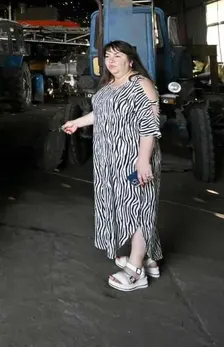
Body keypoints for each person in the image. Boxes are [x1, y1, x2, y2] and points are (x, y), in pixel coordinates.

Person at [62, 40, 163, 292]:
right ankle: (147, 258)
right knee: (123, 206)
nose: (111, 61)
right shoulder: (109, 85)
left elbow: (149, 125)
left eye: (118, 56)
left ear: (131, 60)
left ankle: (136, 271)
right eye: (107, 56)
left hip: (133, 158)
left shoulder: (141, 84)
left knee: (138, 209)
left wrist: (143, 160)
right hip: (109, 161)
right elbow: (101, 114)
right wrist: (77, 122)